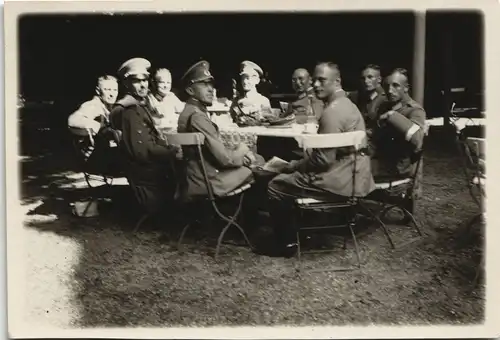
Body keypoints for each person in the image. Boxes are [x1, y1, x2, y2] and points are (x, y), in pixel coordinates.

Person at [266, 62, 375, 257]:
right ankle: (305, 231)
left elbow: (323, 161)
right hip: (356, 175)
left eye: (322, 80)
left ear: (337, 81)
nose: (316, 84)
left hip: (341, 181)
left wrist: (293, 166)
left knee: (276, 185)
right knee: (295, 172)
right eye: (315, 80)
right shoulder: (348, 105)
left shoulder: (331, 112)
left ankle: (287, 244)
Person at [176, 60, 262, 201]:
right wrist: (242, 150)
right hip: (207, 182)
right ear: (190, 90)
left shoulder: (188, 111)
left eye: (210, 84)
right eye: (204, 84)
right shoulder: (197, 117)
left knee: (253, 160)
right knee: (256, 168)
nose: (211, 89)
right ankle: (250, 221)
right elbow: (224, 159)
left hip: (194, 178)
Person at [110, 57, 180, 214]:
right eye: (136, 81)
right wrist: (173, 151)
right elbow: (143, 151)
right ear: (126, 84)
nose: (143, 85)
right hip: (145, 172)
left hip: (142, 168)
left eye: (145, 80)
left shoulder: (138, 105)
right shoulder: (130, 110)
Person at [371, 68, 427, 213]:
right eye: (387, 86)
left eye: (395, 86)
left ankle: (345, 210)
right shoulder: (385, 105)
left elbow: (417, 139)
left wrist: (392, 116)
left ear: (406, 88)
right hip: (380, 160)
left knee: (348, 169)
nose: (390, 90)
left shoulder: (414, 110)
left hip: (397, 166)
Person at [67, 75, 120, 166]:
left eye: (115, 90)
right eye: (107, 90)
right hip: (96, 159)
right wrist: (100, 127)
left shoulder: (111, 106)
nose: (112, 94)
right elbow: (72, 121)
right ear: (98, 91)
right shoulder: (92, 106)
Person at [348, 64, 388, 145]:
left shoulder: (385, 100)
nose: (366, 81)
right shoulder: (364, 95)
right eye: (363, 78)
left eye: (370, 77)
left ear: (379, 79)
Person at [229, 60, 274, 126]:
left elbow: (268, 122)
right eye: (243, 78)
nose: (245, 82)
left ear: (257, 80)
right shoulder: (236, 101)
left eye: (248, 78)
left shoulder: (263, 101)